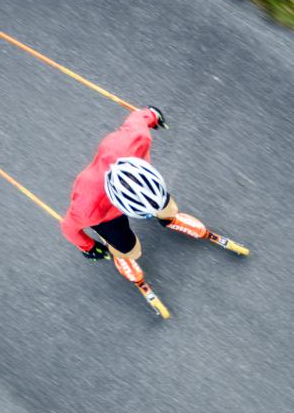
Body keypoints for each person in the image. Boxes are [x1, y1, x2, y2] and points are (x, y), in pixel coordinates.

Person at [60, 106, 210, 284]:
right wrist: (89, 247)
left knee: (169, 208)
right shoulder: (88, 210)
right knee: (132, 251)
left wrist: (152, 115)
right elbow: (68, 228)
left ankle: (168, 218)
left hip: (135, 188)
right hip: (107, 216)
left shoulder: (138, 139)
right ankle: (121, 256)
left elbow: (140, 116)